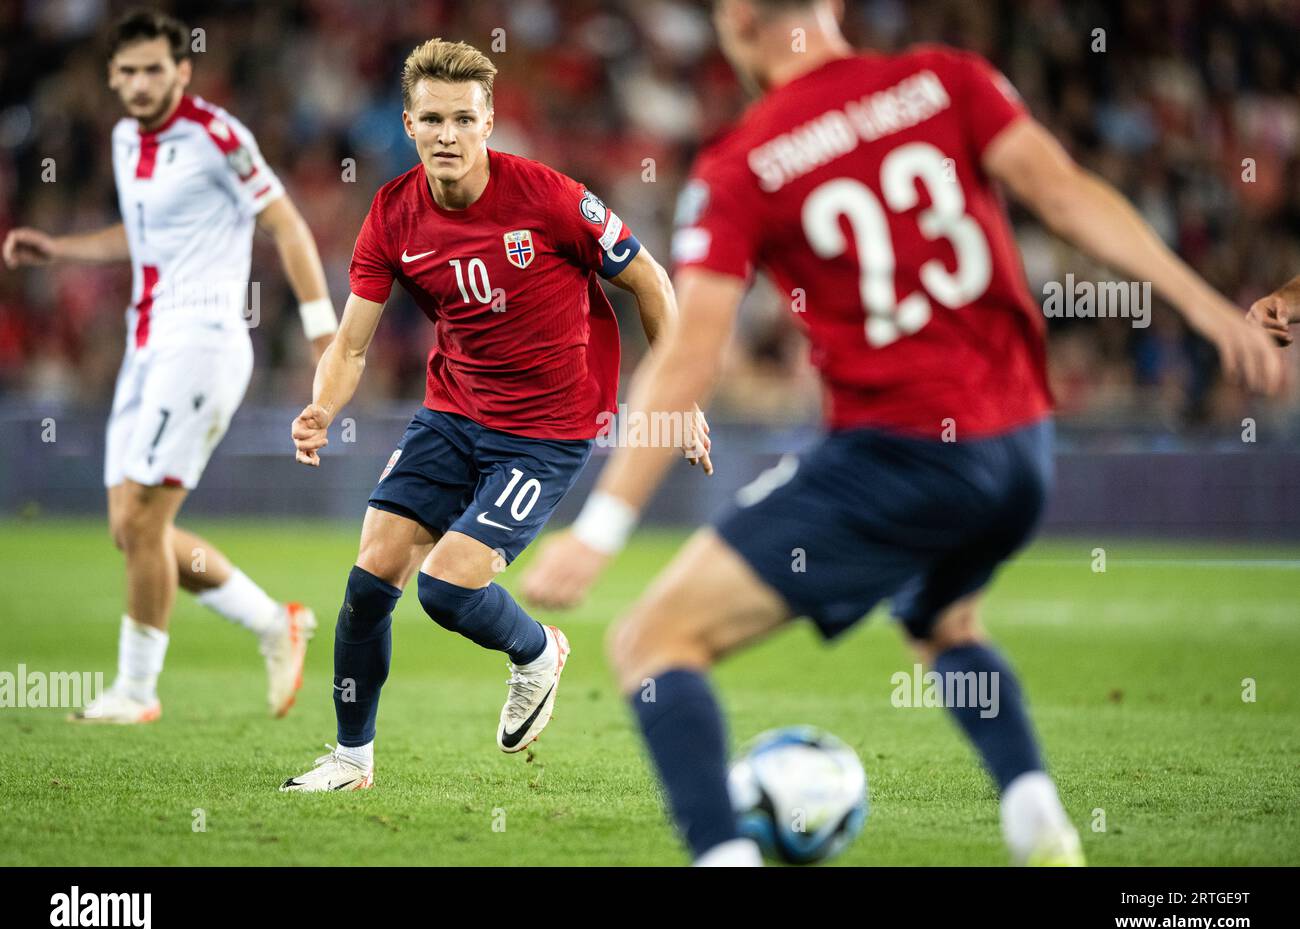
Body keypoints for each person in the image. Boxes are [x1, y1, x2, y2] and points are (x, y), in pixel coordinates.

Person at [522, 0, 1283, 865]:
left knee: (652, 643)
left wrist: (602, 527)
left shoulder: (741, 164)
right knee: (942, 619)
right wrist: (1206, 308)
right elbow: (1067, 197)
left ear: (736, 21)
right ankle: (1041, 825)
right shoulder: (945, 80)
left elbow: (692, 351)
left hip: (903, 451)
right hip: (1022, 451)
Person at [280, 38, 704, 792]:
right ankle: (350, 760)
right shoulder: (391, 214)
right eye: (433, 119)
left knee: (446, 590)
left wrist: (680, 395)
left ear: (490, 122)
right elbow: (350, 346)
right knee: (370, 579)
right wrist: (321, 406)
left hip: (546, 432)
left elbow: (652, 279)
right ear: (407, 124)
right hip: (451, 412)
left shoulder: (549, 197)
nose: (448, 134)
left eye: (464, 119)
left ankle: (537, 650)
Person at [2, 9, 338, 724]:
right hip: (146, 343)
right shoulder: (126, 139)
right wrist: (60, 250)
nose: (139, 83)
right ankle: (274, 622)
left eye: (154, 69)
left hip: (204, 338)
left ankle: (135, 690)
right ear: (112, 77)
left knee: (146, 522)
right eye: (126, 71)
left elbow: (287, 225)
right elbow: (144, 231)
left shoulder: (218, 135)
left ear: (182, 72)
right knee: (130, 528)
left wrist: (322, 337)